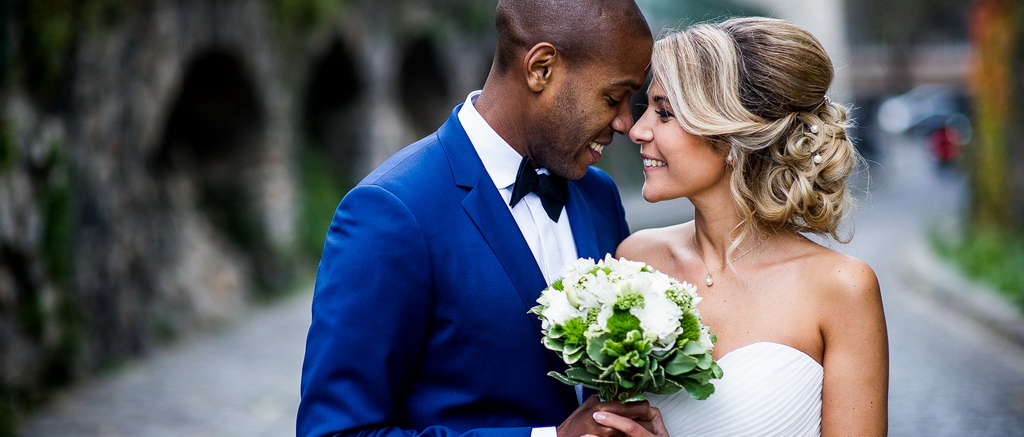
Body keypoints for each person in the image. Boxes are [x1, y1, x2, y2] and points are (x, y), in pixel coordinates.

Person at [297, 1, 660, 436]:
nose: (625, 122)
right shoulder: (390, 211)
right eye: (613, 97)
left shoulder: (597, 195)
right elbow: (336, 431)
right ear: (540, 68)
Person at [596, 17, 889, 436]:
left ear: (731, 135)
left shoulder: (842, 287)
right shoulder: (635, 261)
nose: (638, 130)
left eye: (664, 113)